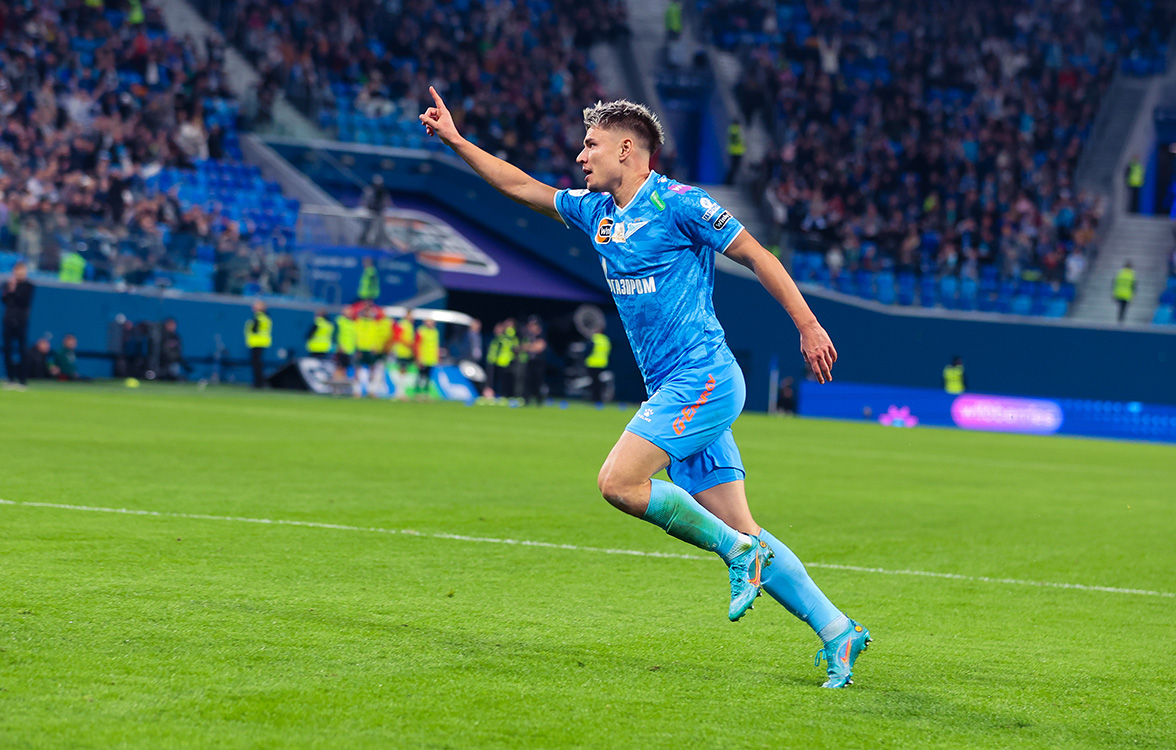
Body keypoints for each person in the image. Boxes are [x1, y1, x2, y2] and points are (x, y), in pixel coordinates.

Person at [421, 89, 869, 688]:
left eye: (591, 145)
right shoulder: (597, 213)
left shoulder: (681, 203)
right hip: (672, 390)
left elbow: (757, 255)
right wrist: (456, 140)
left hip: (703, 378)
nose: (581, 156)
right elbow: (522, 187)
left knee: (619, 483)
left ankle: (737, 554)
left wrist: (808, 325)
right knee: (743, 525)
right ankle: (838, 630)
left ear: (626, 149)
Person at [3, 261, 34, 390]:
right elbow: (5, 300)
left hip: (21, 321)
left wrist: (14, 290)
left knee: (22, 350)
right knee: (8, 350)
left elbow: (23, 300)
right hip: (8, 320)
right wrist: (10, 289)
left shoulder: (28, 285)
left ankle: (22, 380)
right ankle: (10, 379)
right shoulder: (8, 284)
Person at [244, 300, 272, 388]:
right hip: (262, 343)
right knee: (258, 364)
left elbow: (254, 330)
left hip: (256, 343)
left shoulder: (257, 318)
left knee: (256, 364)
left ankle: (258, 383)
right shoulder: (266, 317)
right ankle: (260, 382)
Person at [520, 316, 547, 406]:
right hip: (529, 361)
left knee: (538, 381)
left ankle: (539, 400)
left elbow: (540, 347)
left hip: (538, 362)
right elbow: (522, 347)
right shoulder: (527, 335)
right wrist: (531, 346)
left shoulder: (541, 334)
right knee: (527, 380)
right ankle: (526, 400)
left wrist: (529, 347)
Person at [585, 321, 611, 405]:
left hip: (592, 363)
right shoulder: (606, 340)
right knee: (599, 383)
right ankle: (599, 398)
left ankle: (594, 398)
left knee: (593, 383)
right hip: (602, 364)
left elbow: (587, 350)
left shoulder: (594, 338)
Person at [415, 317, 441, 400]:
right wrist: (418, 357)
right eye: (428, 321)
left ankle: (426, 394)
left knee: (428, 377)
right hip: (423, 358)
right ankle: (418, 393)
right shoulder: (421, 330)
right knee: (421, 376)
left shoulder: (435, 332)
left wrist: (437, 356)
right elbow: (417, 344)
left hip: (431, 359)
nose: (430, 323)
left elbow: (436, 345)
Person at [725, 119, 746, 185]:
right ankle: (729, 182)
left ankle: (729, 181)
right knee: (734, 168)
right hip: (737, 151)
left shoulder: (731, 129)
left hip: (732, 150)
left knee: (732, 168)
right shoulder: (737, 130)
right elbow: (740, 141)